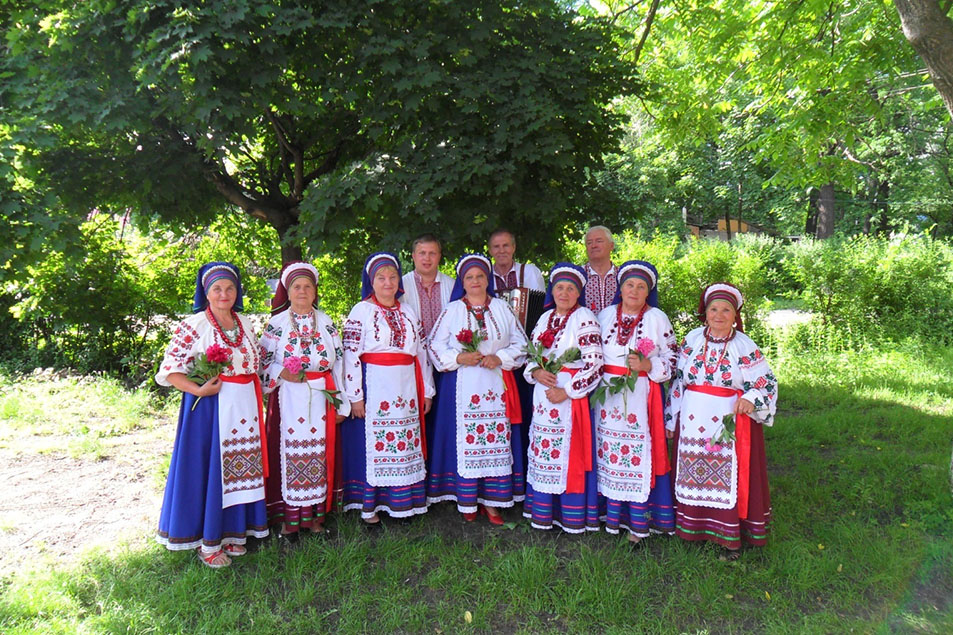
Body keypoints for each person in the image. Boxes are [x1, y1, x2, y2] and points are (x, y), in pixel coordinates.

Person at [155, 262, 268, 568]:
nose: (224, 294)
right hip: (211, 408)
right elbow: (170, 370)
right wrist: (198, 389)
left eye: (230, 288)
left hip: (244, 404)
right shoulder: (194, 325)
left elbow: (255, 364)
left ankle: (234, 532)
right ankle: (209, 541)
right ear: (206, 292)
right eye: (217, 289)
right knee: (215, 471)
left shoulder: (244, 322)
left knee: (240, 468)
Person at [665, 283, 778, 559]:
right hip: (692, 420)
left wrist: (751, 398)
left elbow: (767, 382)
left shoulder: (744, 345)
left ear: (735, 314)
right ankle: (693, 528)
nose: (719, 315)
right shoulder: (691, 340)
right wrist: (671, 419)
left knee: (726, 478)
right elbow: (679, 382)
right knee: (694, 473)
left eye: (726, 309)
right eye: (713, 309)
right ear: (705, 313)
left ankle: (728, 537)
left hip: (730, 425)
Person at [426, 254, 528, 524]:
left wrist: (501, 358)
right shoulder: (452, 310)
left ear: (487, 280)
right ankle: (467, 499)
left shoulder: (503, 309)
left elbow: (521, 344)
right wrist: (460, 358)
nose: (475, 281)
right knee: (467, 441)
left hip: (496, 385)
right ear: (463, 281)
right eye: (469, 277)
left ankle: (493, 501)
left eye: (480, 276)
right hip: (461, 387)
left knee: (494, 441)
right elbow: (434, 345)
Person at [340, 252, 435, 527]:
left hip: (406, 386)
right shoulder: (362, 311)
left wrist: (426, 390)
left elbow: (422, 352)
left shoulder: (407, 311)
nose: (388, 282)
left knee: (404, 442)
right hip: (375, 384)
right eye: (381, 278)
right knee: (378, 444)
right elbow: (350, 355)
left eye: (393, 277)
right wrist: (356, 396)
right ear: (372, 282)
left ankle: (404, 503)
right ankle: (371, 505)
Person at [259, 261, 350, 542]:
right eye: (297, 286)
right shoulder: (275, 324)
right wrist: (281, 371)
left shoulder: (326, 322)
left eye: (308, 286)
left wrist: (341, 402)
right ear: (287, 291)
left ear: (315, 291)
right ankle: (289, 521)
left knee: (319, 455)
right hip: (288, 398)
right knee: (289, 456)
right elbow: (261, 363)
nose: (302, 291)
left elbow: (340, 363)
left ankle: (315, 519)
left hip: (321, 395)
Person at [594, 260, 677, 546]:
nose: (634, 290)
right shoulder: (604, 316)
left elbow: (674, 360)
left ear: (648, 292)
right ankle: (612, 519)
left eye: (641, 286)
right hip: (607, 398)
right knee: (608, 453)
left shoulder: (657, 318)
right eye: (629, 284)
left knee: (637, 456)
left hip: (641, 398)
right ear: (621, 287)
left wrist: (647, 365)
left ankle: (639, 523)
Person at [523, 263, 604, 533]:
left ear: (578, 293)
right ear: (552, 291)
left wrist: (567, 391)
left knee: (567, 453)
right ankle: (544, 513)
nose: (564, 293)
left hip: (569, 397)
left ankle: (570, 515)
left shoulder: (585, 318)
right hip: (543, 395)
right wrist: (535, 371)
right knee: (543, 450)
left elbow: (595, 365)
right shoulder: (544, 319)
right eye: (559, 287)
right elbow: (530, 355)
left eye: (570, 288)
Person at [401, 234, 454, 338]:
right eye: (422, 253)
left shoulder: (452, 286)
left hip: (446, 352)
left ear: (439, 256)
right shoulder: (401, 286)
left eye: (432, 253)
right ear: (414, 256)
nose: (427, 258)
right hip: (413, 351)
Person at [488, 228, 545, 292]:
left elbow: (542, 301)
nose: (501, 251)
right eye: (496, 246)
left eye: (506, 245)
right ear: (490, 250)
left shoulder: (531, 272)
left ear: (513, 247)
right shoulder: (485, 277)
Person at [583, 226, 618, 314]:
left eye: (599, 241)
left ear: (611, 246)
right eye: (589, 242)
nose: (594, 246)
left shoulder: (623, 276)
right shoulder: (578, 276)